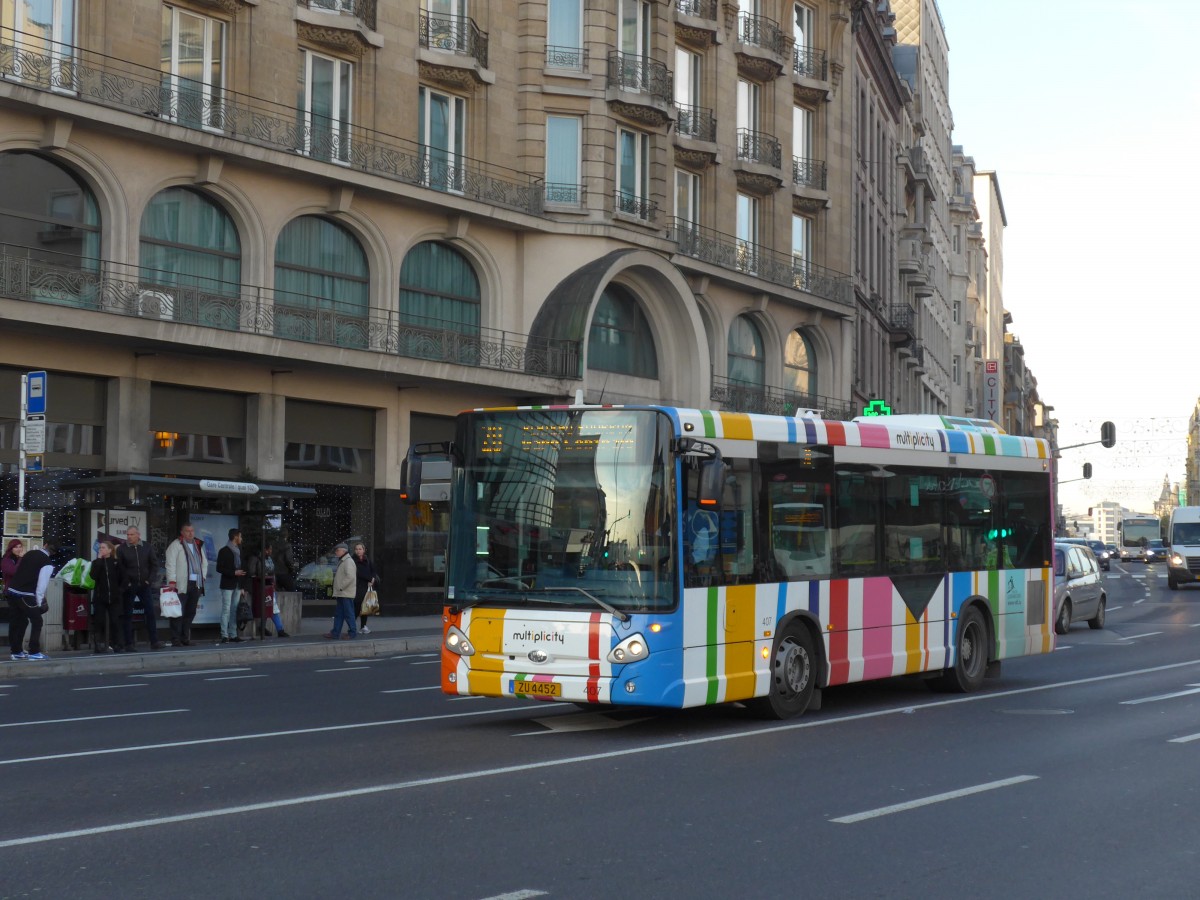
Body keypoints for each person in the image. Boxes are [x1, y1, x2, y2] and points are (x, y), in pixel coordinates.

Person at [7, 538, 58, 661]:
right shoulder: (47, 563)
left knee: (18, 621)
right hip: (26, 594)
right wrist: (39, 602)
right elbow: (42, 585)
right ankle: (34, 651)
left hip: (12, 591)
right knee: (37, 621)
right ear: (54, 552)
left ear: (45, 544)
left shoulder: (30, 553)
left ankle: (16, 651)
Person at [116, 526, 162, 651]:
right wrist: (127, 582)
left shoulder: (147, 547)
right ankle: (128, 643)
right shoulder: (122, 549)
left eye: (131, 534)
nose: (129, 537)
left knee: (150, 612)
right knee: (128, 614)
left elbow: (154, 564)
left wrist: (149, 580)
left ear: (138, 535)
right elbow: (120, 567)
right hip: (130, 584)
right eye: (128, 535)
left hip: (144, 584)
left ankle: (154, 641)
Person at [164, 522, 207, 647]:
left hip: (196, 583)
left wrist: (203, 577)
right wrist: (172, 580)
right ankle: (175, 638)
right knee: (177, 612)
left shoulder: (198, 545)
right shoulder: (176, 545)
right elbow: (170, 564)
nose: (190, 533)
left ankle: (184, 637)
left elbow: (204, 563)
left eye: (192, 530)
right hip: (181, 583)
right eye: (187, 531)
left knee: (190, 612)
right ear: (182, 533)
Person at [88, 541, 126, 653]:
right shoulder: (96, 563)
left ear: (110, 550)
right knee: (99, 621)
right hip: (100, 597)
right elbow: (93, 576)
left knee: (115, 621)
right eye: (100, 548)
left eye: (103, 548)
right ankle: (98, 644)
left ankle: (117, 644)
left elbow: (124, 578)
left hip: (114, 597)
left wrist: (120, 590)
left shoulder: (116, 563)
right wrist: (99, 560)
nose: (101, 549)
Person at [247, 544, 289, 638]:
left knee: (268, 607)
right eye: (269, 549)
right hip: (260, 586)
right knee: (272, 607)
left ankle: (263, 627)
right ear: (264, 550)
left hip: (269, 585)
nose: (271, 551)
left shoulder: (268, 559)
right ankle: (280, 629)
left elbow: (272, 571)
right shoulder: (256, 558)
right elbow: (251, 572)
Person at [215, 528, 247, 644]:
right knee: (226, 609)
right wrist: (234, 573)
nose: (241, 539)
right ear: (235, 537)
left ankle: (233, 634)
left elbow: (243, 569)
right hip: (227, 584)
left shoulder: (240, 550)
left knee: (234, 610)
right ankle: (224, 634)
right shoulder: (224, 551)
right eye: (240, 536)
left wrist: (242, 586)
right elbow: (219, 568)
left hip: (237, 584)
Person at [325, 543, 357, 640]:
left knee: (348, 614)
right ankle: (335, 633)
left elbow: (350, 577)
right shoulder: (344, 561)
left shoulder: (348, 561)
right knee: (339, 614)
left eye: (337, 550)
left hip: (345, 593)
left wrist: (341, 587)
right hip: (342, 593)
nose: (336, 552)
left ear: (343, 551)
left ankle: (352, 633)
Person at [352, 541, 378, 634]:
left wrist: (373, 579)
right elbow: (359, 573)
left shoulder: (367, 559)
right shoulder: (353, 560)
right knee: (357, 607)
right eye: (356, 549)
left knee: (365, 608)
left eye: (360, 549)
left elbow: (373, 570)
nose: (358, 551)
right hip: (358, 587)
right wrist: (370, 579)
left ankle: (363, 626)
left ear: (364, 550)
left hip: (367, 587)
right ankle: (352, 627)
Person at [274, 528, 297, 592]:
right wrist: (292, 569)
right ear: (287, 536)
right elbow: (288, 559)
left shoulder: (274, 544)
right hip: (284, 572)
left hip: (275, 572)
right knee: (292, 591)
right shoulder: (287, 545)